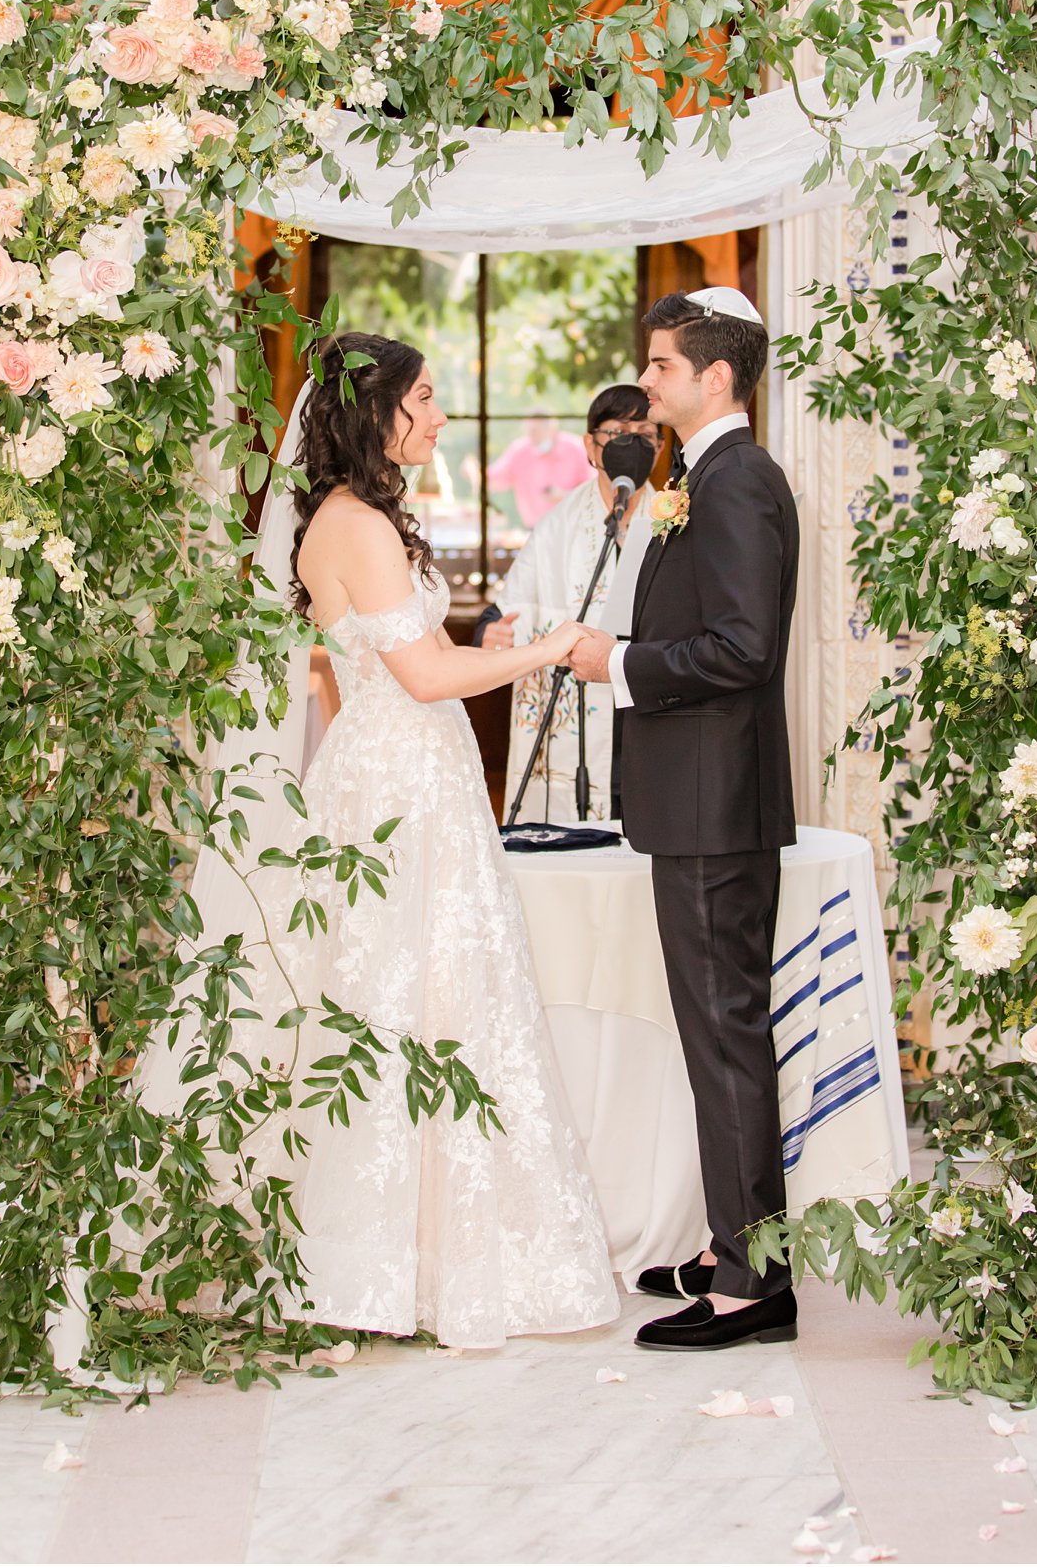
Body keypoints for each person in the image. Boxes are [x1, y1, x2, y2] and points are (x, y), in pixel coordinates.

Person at [180, 332, 619, 1350]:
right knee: (389, 1001)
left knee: (430, 998)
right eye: (424, 398)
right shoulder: (352, 525)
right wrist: (551, 649)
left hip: (407, 774)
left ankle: (413, 1258)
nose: (437, 414)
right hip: (396, 787)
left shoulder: (366, 520)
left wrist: (488, 648)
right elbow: (418, 680)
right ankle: (366, 1263)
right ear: (376, 412)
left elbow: (385, 665)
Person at [568, 286, 802, 1352]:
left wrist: (618, 666)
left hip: (715, 809)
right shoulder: (695, 479)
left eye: (659, 368)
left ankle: (754, 1282)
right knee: (716, 1036)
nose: (645, 386)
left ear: (712, 375)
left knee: (726, 1040)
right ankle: (731, 1243)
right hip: (694, 805)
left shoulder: (738, 480)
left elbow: (743, 649)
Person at [475, 383, 659, 822]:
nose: (631, 444)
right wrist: (491, 631)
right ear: (590, 447)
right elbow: (502, 613)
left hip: (650, 716)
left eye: (646, 433)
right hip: (580, 724)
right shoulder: (556, 527)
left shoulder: (678, 516)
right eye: (616, 433)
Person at [485, 407, 592, 530]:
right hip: (535, 530)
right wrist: (474, 472)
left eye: (535, 432)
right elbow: (493, 479)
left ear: (551, 429)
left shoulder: (576, 449)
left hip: (573, 529)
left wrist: (565, 496)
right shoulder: (520, 451)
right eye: (529, 432)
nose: (532, 438)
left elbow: (594, 492)